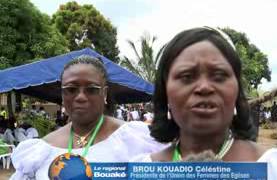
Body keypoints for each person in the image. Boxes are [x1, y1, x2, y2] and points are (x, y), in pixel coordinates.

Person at [131, 27, 277, 179]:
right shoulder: (139, 171)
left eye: (219, 76)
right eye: (187, 76)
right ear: (165, 92)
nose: (204, 87)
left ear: (237, 90)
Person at [10, 55, 166, 179]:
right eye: (71, 89)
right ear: (63, 95)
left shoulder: (137, 139)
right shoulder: (39, 151)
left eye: (91, 89)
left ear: (104, 93)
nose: (80, 97)